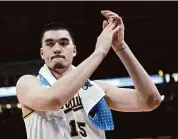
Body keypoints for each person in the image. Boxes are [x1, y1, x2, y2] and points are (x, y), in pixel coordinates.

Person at [16, 10, 162, 139]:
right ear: (42, 53)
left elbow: (151, 101)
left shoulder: (96, 89)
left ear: (74, 50)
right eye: (49, 44)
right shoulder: (28, 83)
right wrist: (99, 51)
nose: (56, 49)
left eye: (63, 43)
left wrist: (120, 47)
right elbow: (54, 100)